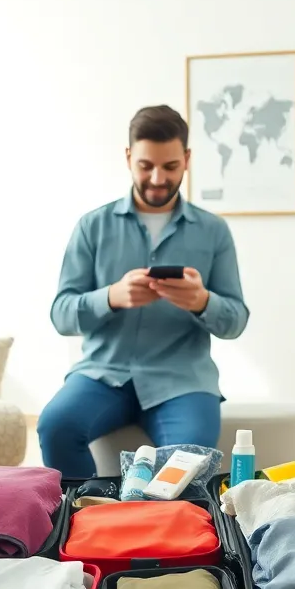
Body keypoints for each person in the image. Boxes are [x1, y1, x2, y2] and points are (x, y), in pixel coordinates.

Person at [38, 105, 249, 478]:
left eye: (170, 167)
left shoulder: (213, 231)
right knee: (56, 426)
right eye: (145, 165)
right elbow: (61, 314)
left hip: (183, 379)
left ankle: (163, 531)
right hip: (102, 373)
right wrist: (111, 297)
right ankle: (86, 516)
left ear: (186, 159)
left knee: (188, 459)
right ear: (128, 157)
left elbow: (235, 321)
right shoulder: (92, 226)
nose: (156, 178)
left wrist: (202, 302)